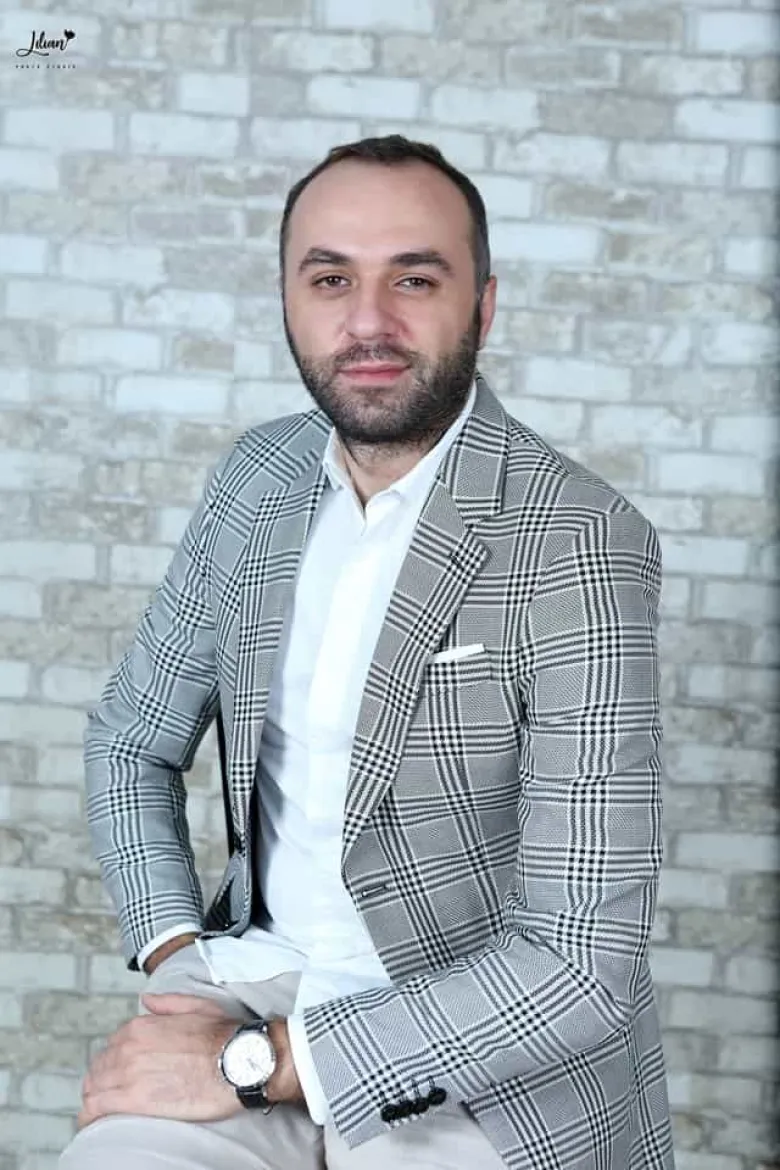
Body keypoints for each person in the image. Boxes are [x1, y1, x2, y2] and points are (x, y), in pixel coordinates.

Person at [59, 135, 674, 1170]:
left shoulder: (581, 540)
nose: (370, 322)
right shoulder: (255, 477)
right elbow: (131, 741)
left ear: (483, 305)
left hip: (477, 1045)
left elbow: (578, 962)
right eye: (331, 279)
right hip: (248, 987)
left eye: (415, 279)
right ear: (287, 300)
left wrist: (264, 1064)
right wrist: (176, 953)